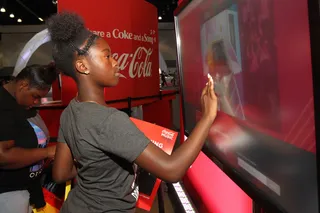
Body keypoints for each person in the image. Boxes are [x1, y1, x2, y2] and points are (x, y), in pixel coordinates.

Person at [48, 12, 217, 213]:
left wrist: (93, 165)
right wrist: (207, 117)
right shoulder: (109, 120)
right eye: (107, 56)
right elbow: (172, 170)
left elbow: (60, 173)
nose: (116, 62)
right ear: (83, 66)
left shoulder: (70, 111)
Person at [0, 64, 57, 213]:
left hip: (25, 191)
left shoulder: (20, 105)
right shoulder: (3, 106)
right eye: (36, 96)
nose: (37, 102)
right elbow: (2, 156)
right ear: (23, 85)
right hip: (7, 195)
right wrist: (47, 152)